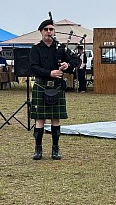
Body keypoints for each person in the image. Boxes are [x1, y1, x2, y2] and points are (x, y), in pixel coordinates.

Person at [29, 18, 78, 160]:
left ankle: (55, 149)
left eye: (51, 29)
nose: (49, 32)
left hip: (56, 87)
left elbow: (76, 60)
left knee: (55, 119)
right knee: (39, 120)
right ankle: (38, 149)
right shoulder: (35, 49)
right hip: (41, 85)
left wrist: (67, 65)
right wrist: (50, 73)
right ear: (41, 32)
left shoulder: (61, 48)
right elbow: (33, 67)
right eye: (46, 30)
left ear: (54, 31)